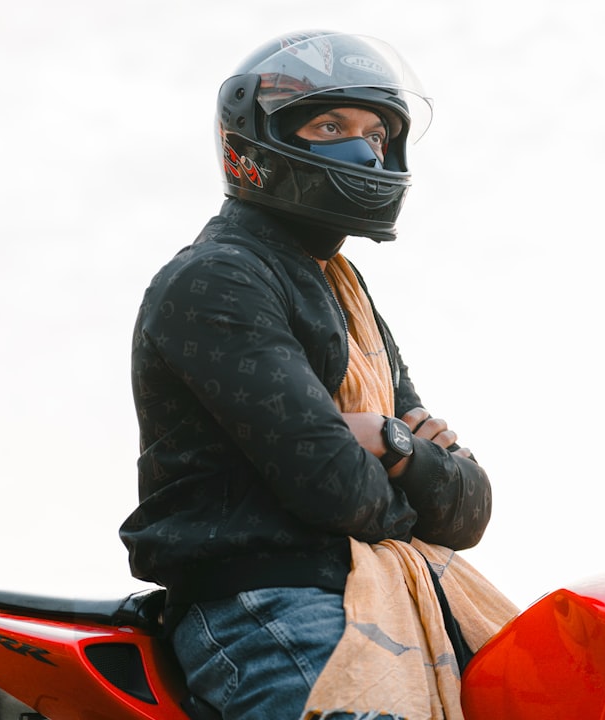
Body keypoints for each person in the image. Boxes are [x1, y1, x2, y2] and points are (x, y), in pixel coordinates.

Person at [119, 30, 511, 719]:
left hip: (366, 599)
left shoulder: (345, 295)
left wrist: (387, 441)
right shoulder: (217, 280)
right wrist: (413, 468)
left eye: (377, 132)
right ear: (260, 140)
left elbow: (470, 507)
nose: (365, 151)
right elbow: (333, 487)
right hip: (266, 606)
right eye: (331, 126)